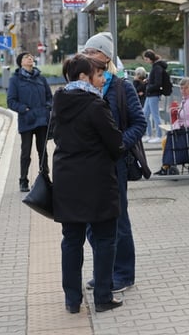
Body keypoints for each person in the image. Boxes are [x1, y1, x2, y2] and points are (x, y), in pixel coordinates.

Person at [50, 53, 125, 314]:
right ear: (84, 77)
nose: (103, 79)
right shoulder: (95, 105)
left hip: (66, 180)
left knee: (71, 240)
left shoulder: (59, 101)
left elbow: (54, 136)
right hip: (97, 181)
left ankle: (72, 300)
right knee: (105, 239)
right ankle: (103, 297)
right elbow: (115, 142)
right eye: (99, 74)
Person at [82, 32, 147, 295]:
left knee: (118, 219)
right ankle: (103, 270)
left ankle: (123, 274)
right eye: (84, 52)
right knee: (89, 220)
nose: (86, 56)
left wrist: (119, 144)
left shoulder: (122, 86)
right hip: (88, 164)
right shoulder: (83, 84)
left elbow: (139, 123)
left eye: (91, 52)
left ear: (105, 57)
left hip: (114, 163)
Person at [7, 52, 53, 192]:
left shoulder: (41, 78)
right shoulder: (15, 80)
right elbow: (11, 101)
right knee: (26, 152)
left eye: (31, 57)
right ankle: (23, 180)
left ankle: (45, 178)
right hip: (26, 120)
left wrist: (47, 108)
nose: (30, 58)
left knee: (42, 151)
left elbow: (49, 97)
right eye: (27, 57)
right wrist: (24, 109)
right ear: (21, 62)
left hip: (41, 120)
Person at [155, 77, 189, 175]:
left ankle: (167, 165)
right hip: (187, 128)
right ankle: (167, 164)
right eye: (181, 88)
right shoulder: (187, 98)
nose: (183, 90)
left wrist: (182, 125)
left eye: (185, 88)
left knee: (169, 139)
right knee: (169, 136)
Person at [142, 49, 168, 143]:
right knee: (145, 115)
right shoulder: (155, 67)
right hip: (150, 94)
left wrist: (149, 87)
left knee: (155, 115)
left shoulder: (157, 68)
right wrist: (148, 81)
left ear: (149, 58)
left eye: (146, 59)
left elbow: (158, 83)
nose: (145, 61)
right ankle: (148, 134)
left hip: (153, 94)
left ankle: (159, 135)